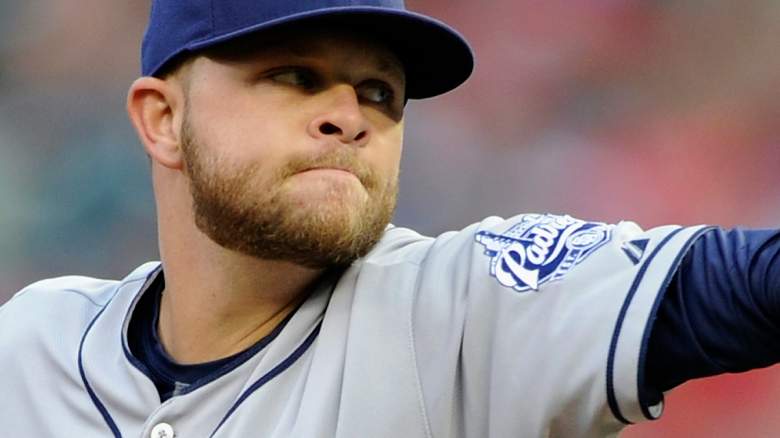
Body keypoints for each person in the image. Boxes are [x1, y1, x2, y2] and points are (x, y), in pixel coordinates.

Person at [0, 1, 778, 437]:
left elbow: (741, 286)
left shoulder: (456, 315)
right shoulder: (31, 347)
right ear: (163, 119)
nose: (351, 115)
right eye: (296, 77)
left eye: (380, 92)